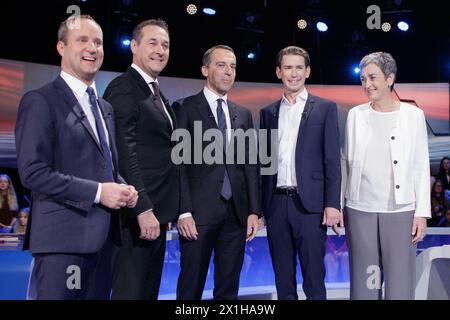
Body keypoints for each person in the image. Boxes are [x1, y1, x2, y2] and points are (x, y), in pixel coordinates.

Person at [15, 15, 138, 300]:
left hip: (104, 242)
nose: (92, 48)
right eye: (82, 40)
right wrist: (98, 192)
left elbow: (104, 166)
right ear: (61, 47)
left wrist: (122, 187)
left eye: (98, 42)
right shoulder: (41, 100)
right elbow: (33, 172)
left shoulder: (105, 107)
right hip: (62, 244)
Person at [172, 45, 261, 300]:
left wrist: (254, 210)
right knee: (191, 286)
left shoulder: (242, 115)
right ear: (205, 69)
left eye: (233, 66)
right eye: (222, 65)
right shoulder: (185, 108)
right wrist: (183, 210)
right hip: (197, 215)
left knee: (228, 287)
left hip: (235, 215)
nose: (228, 71)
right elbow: (178, 165)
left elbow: (250, 165)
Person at [341, 52, 430, 300]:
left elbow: (421, 165)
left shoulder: (414, 116)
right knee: (365, 283)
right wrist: (339, 206)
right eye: (363, 79)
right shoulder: (355, 115)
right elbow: (346, 162)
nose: (367, 84)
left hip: (401, 209)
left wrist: (421, 212)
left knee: (400, 283)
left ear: (389, 78)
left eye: (373, 77)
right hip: (360, 209)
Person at [103, 19, 180, 300]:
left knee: (147, 292)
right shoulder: (124, 87)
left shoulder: (154, 91)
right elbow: (123, 153)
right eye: (153, 42)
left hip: (155, 216)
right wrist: (143, 208)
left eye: (165, 45)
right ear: (134, 46)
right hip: (137, 216)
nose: (160, 50)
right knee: (131, 292)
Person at [259, 46, 342, 300]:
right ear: (278, 72)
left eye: (298, 68)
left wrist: (332, 204)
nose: (293, 73)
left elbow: (332, 161)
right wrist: (260, 208)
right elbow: (264, 164)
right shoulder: (267, 113)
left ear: (307, 71)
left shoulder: (325, 108)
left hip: (311, 208)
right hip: (276, 206)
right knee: (283, 280)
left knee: (314, 279)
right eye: (287, 67)